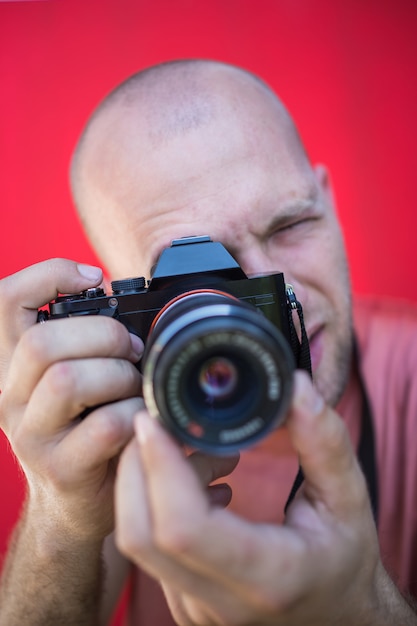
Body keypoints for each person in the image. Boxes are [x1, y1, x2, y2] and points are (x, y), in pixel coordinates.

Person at [0, 59, 417, 626]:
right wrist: (61, 518)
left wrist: (361, 609)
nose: (282, 292)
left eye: (291, 226)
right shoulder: (121, 424)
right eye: (205, 280)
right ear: (130, 309)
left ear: (330, 204)